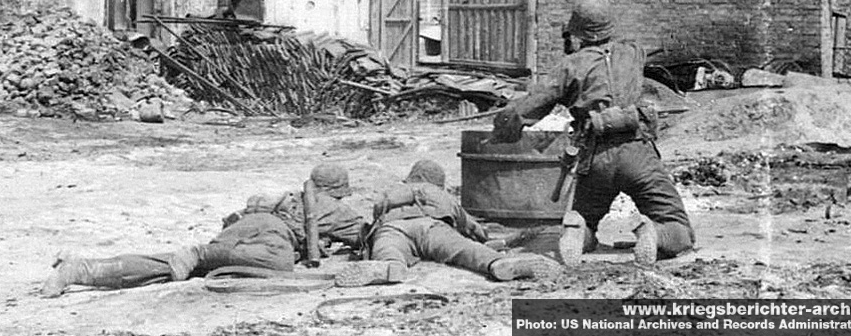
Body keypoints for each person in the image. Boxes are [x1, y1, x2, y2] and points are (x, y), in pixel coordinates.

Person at [491, 0, 695, 268]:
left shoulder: (570, 66)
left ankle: (578, 232)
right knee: (679, 228)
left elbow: (529, 106)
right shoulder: (633, 52)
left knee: (585, 218)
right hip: (638, 154)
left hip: (594, 159)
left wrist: (501, 130)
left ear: (576, 30)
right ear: (610, 24)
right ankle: (655, 233)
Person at [41, 163, 363, 297]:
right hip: (271, 235)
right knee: (278, 261)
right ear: (337, 190)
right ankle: (202, 253)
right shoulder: (331, 206)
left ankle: (80, 270)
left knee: (168, 267)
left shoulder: (294, 197)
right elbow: (368, 236)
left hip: (240, 232)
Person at [335, 159, 562, 286]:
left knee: (388, 250)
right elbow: (469, 226)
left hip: (393, 227)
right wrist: (486, 238)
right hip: (433, 226)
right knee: (464, 249)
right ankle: (497, 264)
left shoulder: (393, 191)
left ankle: (390, 266)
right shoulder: (439, 193)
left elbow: (376, 215)